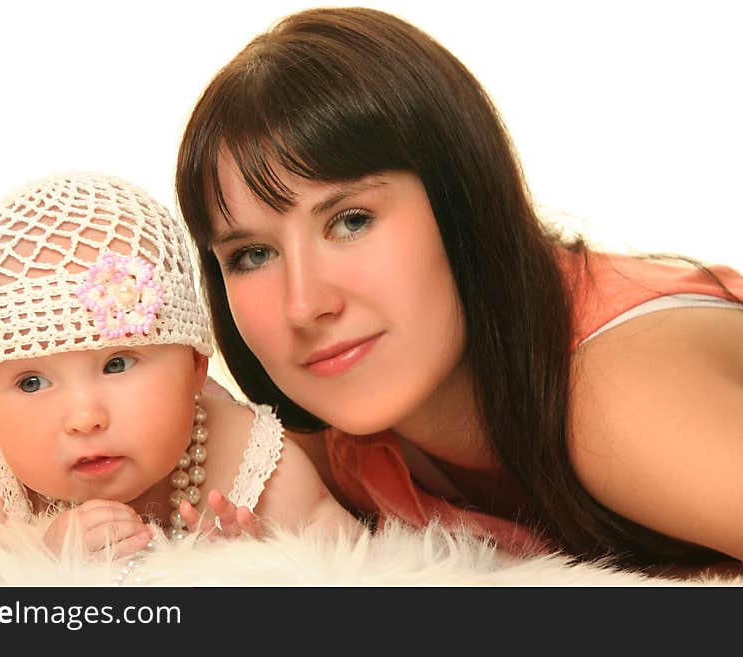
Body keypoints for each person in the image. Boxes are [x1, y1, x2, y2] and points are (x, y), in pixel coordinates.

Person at [174, 7, 743, 572]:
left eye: (350, 221)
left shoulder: (615, 400)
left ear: (461, 200)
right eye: (253, 255)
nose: (304, 305)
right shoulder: (321, 446)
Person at [0, 171, 357, 570]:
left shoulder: (249, 457)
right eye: (31, 382)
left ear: (196, 367)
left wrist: (267, 562)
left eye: (116, 364)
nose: (84, 417)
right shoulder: (1, 480)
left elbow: (364, 563)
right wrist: (35, 555)